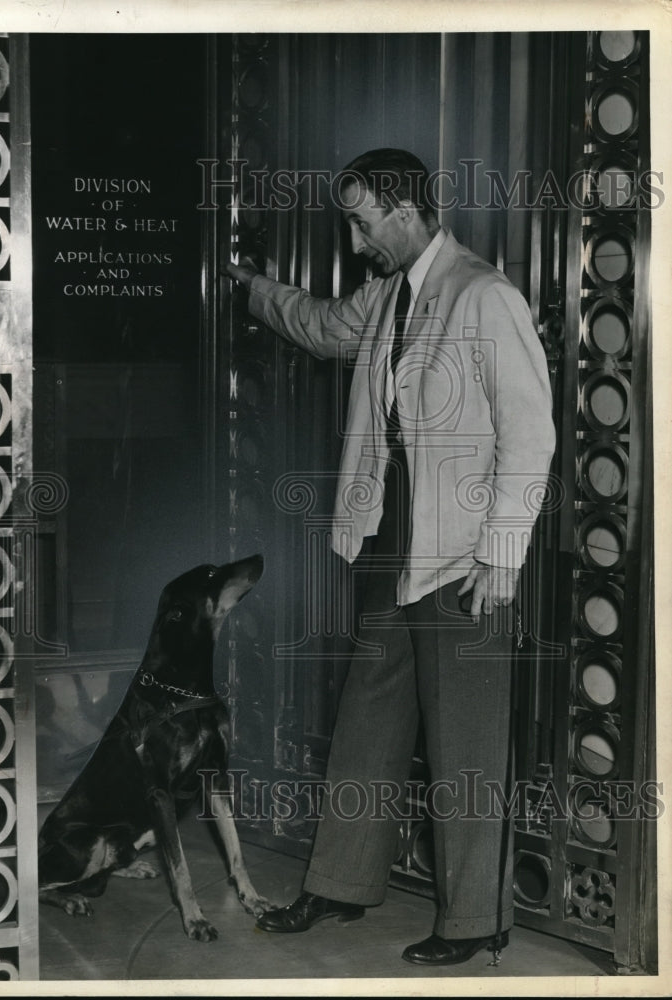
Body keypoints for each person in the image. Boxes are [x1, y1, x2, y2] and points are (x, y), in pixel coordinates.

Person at [226, 148, 555, 967]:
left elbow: (530, 434)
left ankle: (474, 919)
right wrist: (252, 290)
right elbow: (322, 327)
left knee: (465, 737)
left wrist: (501, 555)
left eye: (360, 219)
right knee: (368, 717)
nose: (354, 236)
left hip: (465, 553)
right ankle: (339, 883)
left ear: (404, 210)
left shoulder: (485, 295)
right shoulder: (386, 299)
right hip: (391, 539)